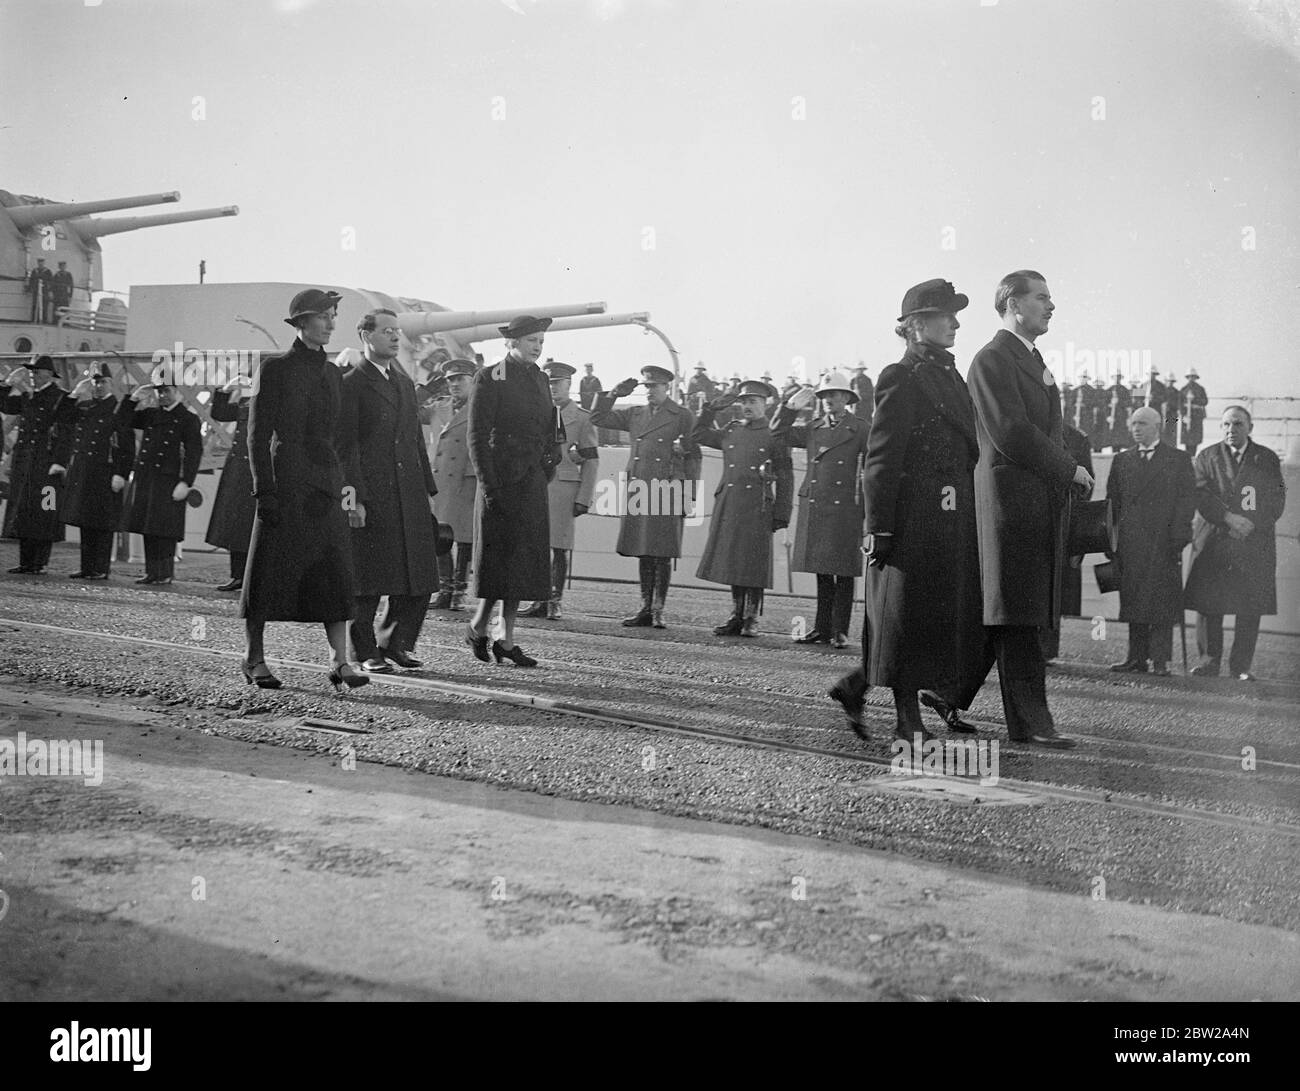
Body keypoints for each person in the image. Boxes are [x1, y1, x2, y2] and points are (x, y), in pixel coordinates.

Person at [960, 270, 1093, 748]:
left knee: (1014, 613)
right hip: (1010, 507)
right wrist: (1069, 469)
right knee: (1019, 618)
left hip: (1031, 505)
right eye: (1042, 298)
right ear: (1014, 304)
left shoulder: (1029, 359)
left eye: (1051, 298)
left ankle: (947, 693)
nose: (1051, 306)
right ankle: (1033, 725)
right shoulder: (993, 358)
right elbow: (1012, 432)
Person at [859, 280, 984, 742]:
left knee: (931, 616)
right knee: (905, 618)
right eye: (942, 316)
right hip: (911, 518)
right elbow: (882, 458)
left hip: (948, 516)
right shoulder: (901, 375)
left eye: (953, 316)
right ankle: (905, 719)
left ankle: (875, 697)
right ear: (914, 326)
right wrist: (880, 528)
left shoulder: (952, 375)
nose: (954, 323)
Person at [239, 288, 367, 692]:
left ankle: (340, 661)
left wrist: (346, 488)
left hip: (324, 488)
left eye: (333, 316)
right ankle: (253, 657)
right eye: (323, 317)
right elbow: (257, 437)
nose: (331, 323)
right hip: (287, 484)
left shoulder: (333, 373)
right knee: (267, 573)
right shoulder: (274, 369)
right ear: (301, 323)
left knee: (334, 574)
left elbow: (342, 438)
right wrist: (265, 492)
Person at [336, 308, 440, 673]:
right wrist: (354, 499)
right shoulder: (351, 384)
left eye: (398, 331)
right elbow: (344, 447)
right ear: (366, 336)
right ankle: (363, 651)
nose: (396, 337)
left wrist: (428, 490)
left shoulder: (403, 383)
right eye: (387, 331)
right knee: (368, 579)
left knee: (417, 575)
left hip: (408, 493)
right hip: (372, 494)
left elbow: (414, 440)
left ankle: (396, 644)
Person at [464, 315, 560, 667]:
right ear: (512, 343)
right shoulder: (489, 377)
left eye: (541, 341)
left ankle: (505, 637)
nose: (537, 346)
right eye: (531, 340)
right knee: (498, 561)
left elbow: (550, 426)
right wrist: (489, 485)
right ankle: (480, 628)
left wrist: (550, 460)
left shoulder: (541, 378)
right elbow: (476, 436)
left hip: (531, 479)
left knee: (522, 562)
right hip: (500, 480)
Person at [590, 365, 701, 628]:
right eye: (647, 386)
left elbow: (694, 456)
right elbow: (597, 417)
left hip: (668, 488)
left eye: (654, 386)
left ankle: (658, 609)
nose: (649, 391)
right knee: (643, 548)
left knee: (661, 551)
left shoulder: (683, 415)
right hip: (639, 486)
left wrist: (689, 494)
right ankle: (645, 608)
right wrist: (614, 394)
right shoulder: (635, 413)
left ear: (667, 387)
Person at [1183, 406, 1287, 681]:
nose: (1231, 430)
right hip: (1215, 539)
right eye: (1227, 424)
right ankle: (1209, 661)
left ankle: (1241, 666)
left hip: (1253, 541)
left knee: (1249, 604)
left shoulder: (1265, 458)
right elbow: (1201, 495)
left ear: (1249, 427)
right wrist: (1228, 518)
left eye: (1238, 424)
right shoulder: (1207, 456)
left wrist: (1250, 523)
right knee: (1209, 603)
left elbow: (1276, 500)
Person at [770, 370, 870, 648]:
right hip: (818, 504)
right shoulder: (814, 428)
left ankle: (840, 630)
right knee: (823, 571)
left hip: (846, 507)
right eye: (825, 396)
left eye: (834, 395)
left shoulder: (861, 428)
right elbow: (777, 434)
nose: (829, 400)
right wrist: (788, 408)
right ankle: (822, 628)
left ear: (846, 398)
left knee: (845, 571)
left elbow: (874, 467)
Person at [694, 380, 792, 637]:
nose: (748, 407)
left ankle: (751, 618)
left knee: (754, 564)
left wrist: (782, 513)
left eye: (753, 402)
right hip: (730, 502)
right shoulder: (732, 431)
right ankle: (736, 615)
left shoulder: (774, 434)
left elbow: (785, 475)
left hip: (758, 506)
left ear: (765, 403)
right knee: (734, 561)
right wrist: (710, 410)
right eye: (744, 402)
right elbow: (697, 435)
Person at [1106, 406, 1196, 676]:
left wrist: (1179, 537)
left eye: (1142, 423)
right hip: (1131, 543)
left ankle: (1159, 660)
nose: (1136, 428)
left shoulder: (1178, 459)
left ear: (1158, 427)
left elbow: (1187, 501)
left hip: (1163, 541)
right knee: (1133, 599)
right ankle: (1136, 658)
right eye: (1133, 423)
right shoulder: (1122, 460)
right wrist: (1111, 541)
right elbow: (1113, 504)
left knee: (1162, 601)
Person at [522, 360, 599, 620]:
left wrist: (584, 498)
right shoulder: (535, 412)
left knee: (559, 547)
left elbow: (591, 459)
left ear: (569, 385)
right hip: (536, 486)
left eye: (558, 383)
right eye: (549, 383)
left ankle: (555, 600)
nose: (553, 388)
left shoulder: (581, 417)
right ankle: (537, 598)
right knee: (535, 545)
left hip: (564, 488)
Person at [121, 380, 203, 585]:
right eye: (159, 392)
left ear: (177, 392)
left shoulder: (188, 418)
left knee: (164, 530)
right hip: (147, 477)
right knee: (148, 527)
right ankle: (152, 572)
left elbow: (194, 452)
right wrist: (133, 398)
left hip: (169, 480)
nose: (162, 395)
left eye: (166, 391)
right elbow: (122, 420)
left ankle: (165, 572)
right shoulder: (151, 414)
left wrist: (186, 482)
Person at [1, 356, 76, 573]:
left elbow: (67, 432)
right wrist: (6, 384)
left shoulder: (61, 398)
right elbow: (5, 405)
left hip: (47, 465)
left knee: (45, 510)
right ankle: (26, 561)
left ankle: (39, 561)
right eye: (32, 372)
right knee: (24, 511)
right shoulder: (28, 397)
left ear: (49, 375)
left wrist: (60, 461)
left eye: (37, 372)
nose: (33, 375)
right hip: (26, 464)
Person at [59, 362, 134, 579]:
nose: (98, 386)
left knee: (102, 523)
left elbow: (126, 446)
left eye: (102, 382)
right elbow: (62, 417)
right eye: (95, 382)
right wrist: (74, 394)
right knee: (85, 520)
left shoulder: (118, 409)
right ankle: (87, 567)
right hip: (84, 471)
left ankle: (100, 568)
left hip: (106, 472)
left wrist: (121, 473)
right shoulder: (86, 407)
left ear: (110, 383)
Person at [1041, 420, 1094, 661]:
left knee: (1056, 588)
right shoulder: (1030, 427)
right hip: (1032, 514)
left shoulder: (1076, 437)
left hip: (1062, 518)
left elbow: (1088, 483)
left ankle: (1048, 649)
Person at [431, 358, 478, 611]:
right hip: (441, 481)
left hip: (466, 479)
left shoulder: (480, 408)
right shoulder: (440, 406)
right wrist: (427, 388)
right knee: (441, 537)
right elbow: (411, 408)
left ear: (473, 380)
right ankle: (444, 589)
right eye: (450, 379)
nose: (454, 384)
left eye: (460, 378)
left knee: (464, 538)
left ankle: (459, 591)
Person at [205, 371, 256, 591]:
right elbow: (221, 412)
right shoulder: (247, 402)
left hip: (257, 471)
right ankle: (237, 575)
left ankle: (251, 579)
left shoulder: (278, 402)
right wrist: (225, 390)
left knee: (250, 529)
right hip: (238, 470)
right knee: (235, 527)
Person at [1179, 369, 1208, 453]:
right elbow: (1180, 404)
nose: (1191, 379)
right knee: (1187, 438)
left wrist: (1195, 400)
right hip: (1186, 417)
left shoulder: (1200, 389)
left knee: (1195, 439)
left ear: (1195, 378)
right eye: (1189, 377)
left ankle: (1193, 456)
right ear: (1187, 378)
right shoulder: (1183, 389)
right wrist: (1183, 415)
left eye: (1193, 377)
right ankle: (1187, 456)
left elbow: (1205, 401)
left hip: (1196, 417)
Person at [1105, 369, 1131, 451]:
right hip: (1111, 418)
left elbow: (1128, 405)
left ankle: (1118, 452)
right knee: (1112, 437)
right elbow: (1104, 406)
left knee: (1120, 437)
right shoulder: (1108, 390)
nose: (1117, 378)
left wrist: (1128, 418)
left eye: (1118, 377)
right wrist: (1107, 416)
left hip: (1121, 417)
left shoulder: (1125, 390)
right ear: (1113, 378)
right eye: (1115, 377)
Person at [26, 259, 52, 324]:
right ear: (38, 263)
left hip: (45, 291)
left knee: (44, 306)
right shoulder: (34, 271)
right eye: (39, 262)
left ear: (44, 263)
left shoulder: (48, 272)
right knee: (35, 305)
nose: (40, 263)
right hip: (36, 291)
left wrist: (50, 291)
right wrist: (29, 290)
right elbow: (31, 281)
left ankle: (44, 321)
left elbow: (51, 282)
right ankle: (34, 319)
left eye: (42, 262)